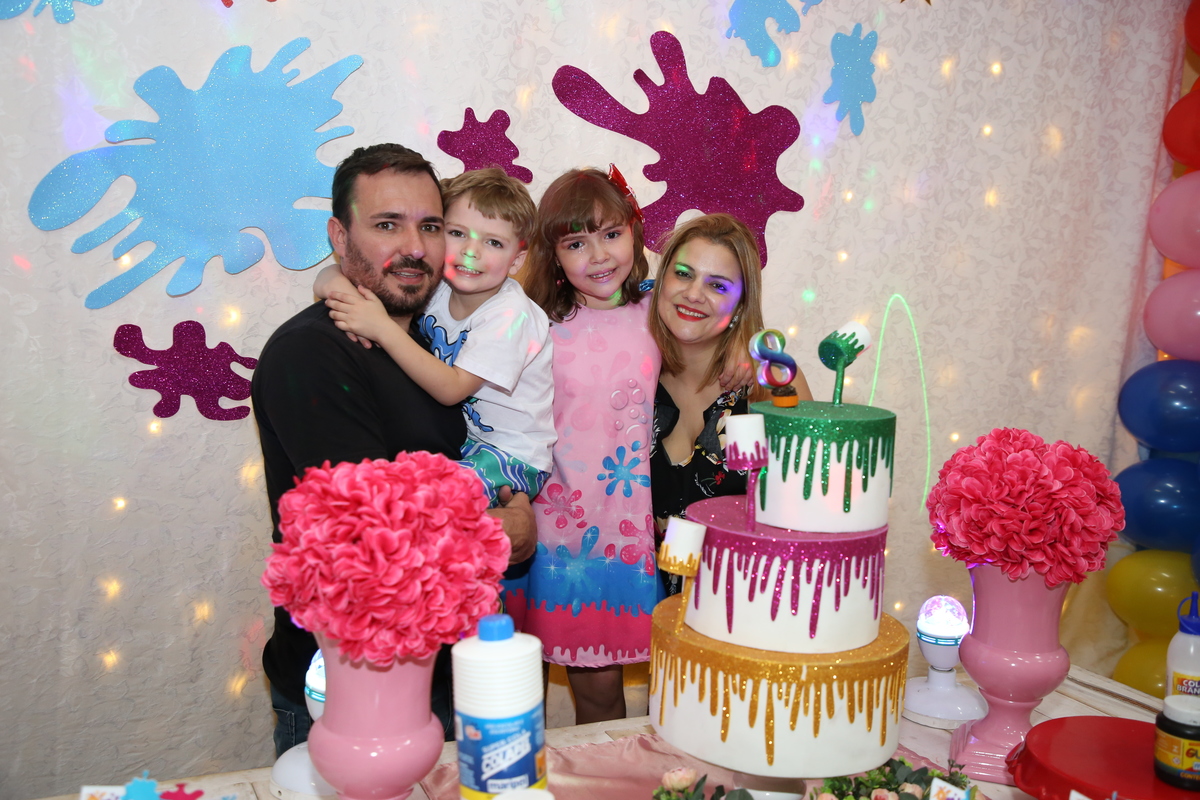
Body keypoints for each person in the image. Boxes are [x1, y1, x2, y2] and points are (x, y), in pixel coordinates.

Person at [251, 144, 536, 757]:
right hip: (351, 691)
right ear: (339, 236)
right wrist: (498, 530)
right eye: (387, 225)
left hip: (444, 675)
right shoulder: (312, 354)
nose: (415, 247)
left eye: (430, 227)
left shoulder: (432, 339)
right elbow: (371, 534)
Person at [511, 166, 661, 724]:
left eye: (611, 234)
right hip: (547, 535)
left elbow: (719, 344)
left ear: (634, 233)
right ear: (553, 255)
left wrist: (743, 355)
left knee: (611, 695)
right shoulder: (532, 323)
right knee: (523, 692)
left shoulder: (659, 312)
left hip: (629, 533)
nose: (598, 255)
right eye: (576, 243)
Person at [315, 168, 555, 506]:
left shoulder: (511, 316)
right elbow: (329, 274)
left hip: (513, 457)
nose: (471, 252)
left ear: (516, 260)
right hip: (466, 444)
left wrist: (380, 327)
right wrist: (339, 291)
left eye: (493, 242)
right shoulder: (439, 286)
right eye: (458, 233)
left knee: (419, 503)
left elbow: (452, 389)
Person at [648, 214, 813, 563]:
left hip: (745, 589)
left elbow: (809, 502)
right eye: (683, 274)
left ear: (740, 306)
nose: (694, 294)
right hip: (645, 591)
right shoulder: (633, 374)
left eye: (718, 286)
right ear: (661, 281)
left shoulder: (771, 382)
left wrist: (752, 342)